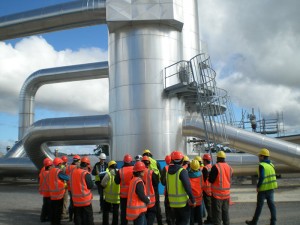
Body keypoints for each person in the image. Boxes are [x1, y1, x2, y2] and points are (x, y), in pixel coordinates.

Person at [245, 148, 278, 225]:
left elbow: (262, 177)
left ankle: (254, 222)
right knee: (272, 206)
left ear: (262, 156)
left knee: (259, 207)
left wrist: (258, 186)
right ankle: (273, 222)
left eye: (259, 156)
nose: (259, 158)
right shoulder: (271, 165)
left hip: (263, 190)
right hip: (271, 189)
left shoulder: (261, 165)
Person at [166, 150, 196, 225]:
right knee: (184, 222)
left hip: (172, 203)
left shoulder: (168, 172)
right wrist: (193, 199)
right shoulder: (182, 171)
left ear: (172, 160)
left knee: (178, 221)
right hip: (183, 203)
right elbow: (187, 187)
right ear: (182, 160)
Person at [209, 151, 233, 225]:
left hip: (217, 195)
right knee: (225, 212)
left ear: (218, 158)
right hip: (226, 194)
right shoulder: (229, 167)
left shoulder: (216, 167)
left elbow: (211, 180)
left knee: (217, 214)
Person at [70, 156, 94, 225]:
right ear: (87, 165)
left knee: (78, 217)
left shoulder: (72, 173)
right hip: (85, 200)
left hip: (76, 201)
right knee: (88, 218)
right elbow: (90, 185)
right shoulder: (85, 173)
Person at [142, 149, 163, 225]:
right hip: (154, 186)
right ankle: (159, 222)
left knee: (145, 206)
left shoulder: (142, 164)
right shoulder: (156, 162)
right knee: (157, 206)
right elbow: (160, 174)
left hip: (145, 188)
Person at [48, 157, 69, 225]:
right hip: (59, 195)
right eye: (61, 164)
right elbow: (67, 178)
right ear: (59, 164)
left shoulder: (51, 171)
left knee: (53, 210)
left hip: (52, 194)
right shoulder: (58, 172)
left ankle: (53, 222)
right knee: (58, 211)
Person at [115, 154, 134, 225]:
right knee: (135, 212)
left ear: (124, 161)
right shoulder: (135, 169)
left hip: (123, 196)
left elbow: (116, 182)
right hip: (133, 195)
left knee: (123, 213)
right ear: (131, 161)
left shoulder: (120, 171)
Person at [101, 160, 120, 225]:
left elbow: (103, 184)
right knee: (116, 213)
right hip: (117, 198)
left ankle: (105, 223)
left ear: (109, 167)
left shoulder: (108, 174)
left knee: (106, 212)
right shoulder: (120, 173)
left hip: (108, 198)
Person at [142, 156, 159, 225]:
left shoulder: (137, 173)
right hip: (151, 199)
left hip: (141, 199)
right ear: (149, 164)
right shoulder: (151, 173)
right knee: (151, 216)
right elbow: (156, 183)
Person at [65, 154, 81, 222]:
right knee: (77, 203)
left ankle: (70, 218)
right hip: (76, 188)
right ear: (78, 161)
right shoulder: (77, 168)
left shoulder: (68, 167)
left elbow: (66, 177)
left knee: (71, 203)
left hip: (70, 188)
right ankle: (76, 218)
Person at [160, 155, 175, 225]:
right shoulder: (178, 167)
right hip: (177, 191)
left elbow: (163, 182)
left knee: (168, 207)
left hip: (168, 191)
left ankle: (169, 220)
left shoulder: (165, 168)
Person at [188, 159, 203, 225]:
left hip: (191, 198)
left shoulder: (187, 175)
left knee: (191, 215)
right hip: (199, 198)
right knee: (199, 215)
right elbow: (203, 185)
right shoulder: (200, 175)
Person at [39, 158, 53, 222]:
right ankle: (49, 218)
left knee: (45, 206)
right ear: (49, 166)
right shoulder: (50, 174)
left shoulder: (42, 173)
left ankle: (43, 218)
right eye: (51, 165)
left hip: (44, 192)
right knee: (49, 206)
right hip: (49, 192)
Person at [202, 153, 213, 224]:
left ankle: (211, 219)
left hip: (206, 189)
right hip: (211, 188)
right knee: (211, 205)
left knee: (208, 206)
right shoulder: (212, 167)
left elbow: (203, 178)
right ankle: (209, 219)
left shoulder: (205, 168)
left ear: (205, 161)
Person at [60, 155, 69, 220]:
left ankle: (60, 212)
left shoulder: (58, 167)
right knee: (65, 200)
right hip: (64, 186)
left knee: (60, 200)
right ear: (65, 162)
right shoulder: (64, 168)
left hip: (59, 186)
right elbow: (67, 177)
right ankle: (63, 214)